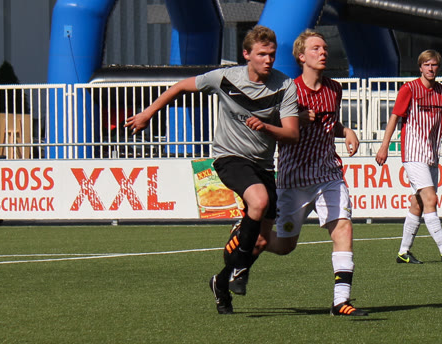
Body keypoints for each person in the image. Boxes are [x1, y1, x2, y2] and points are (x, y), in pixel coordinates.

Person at [125, 25, 299, 315]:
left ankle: (220, 282)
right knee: (259, 202)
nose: (268, 60)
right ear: (246, 54)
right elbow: (180, 86)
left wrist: (265, 127)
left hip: (263, 165)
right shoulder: (224, 77)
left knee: (263, 240)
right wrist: (147, 113)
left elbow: (292, 134)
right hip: (229, 157)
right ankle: (240, 269)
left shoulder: (285, 86)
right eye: (261, 54)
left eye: (271, 54)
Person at [254, 30, 367, 316]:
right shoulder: (288, 90)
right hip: (293, 179)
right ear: (301, 56)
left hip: (328, 174)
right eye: (316, 48)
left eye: (325, 47)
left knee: (343, 228)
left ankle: (341, 301)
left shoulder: (334, 89)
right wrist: (297, 120)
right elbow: (273, 129)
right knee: (284, 246)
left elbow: (330, 124)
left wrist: (347, 131)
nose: (323, 52)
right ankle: (249, 238)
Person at [375, 50, 442, 265]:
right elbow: (395, 117)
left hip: (431, 153)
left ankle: (403, 252)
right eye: (427, 65)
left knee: (419, 203)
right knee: (431, 199)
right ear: (420, 67)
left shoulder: (441, 91)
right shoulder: (409, 89)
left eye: (434, 65)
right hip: (413, 153)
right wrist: (384, 146)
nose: (431, 69)